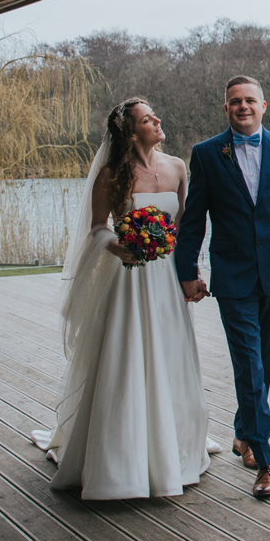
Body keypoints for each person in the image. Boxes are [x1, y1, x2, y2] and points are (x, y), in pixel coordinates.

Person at [34, 98, 222, 499]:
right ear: (132, 131)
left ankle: (173, 447)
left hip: (167, 279)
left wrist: (192, 273)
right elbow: (97, 229)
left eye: (155, 114)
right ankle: (121, 458)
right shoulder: (112, 174)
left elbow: (186, 226)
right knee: (127, 354)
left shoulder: (177, 167)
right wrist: (119, 247)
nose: (157, 120)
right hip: (127, 279)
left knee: (170, 354)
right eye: (147, 118)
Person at [175, 75, 270, 499]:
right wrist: (187, 271)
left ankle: (244, 431)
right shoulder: (206, 154)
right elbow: (193, 221)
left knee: (265, 363)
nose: (243, 107)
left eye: (249, 101)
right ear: (226, 109)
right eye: (235, 102)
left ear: (264, 105)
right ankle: (266, 459)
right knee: (250, 366)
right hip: (234, 276)